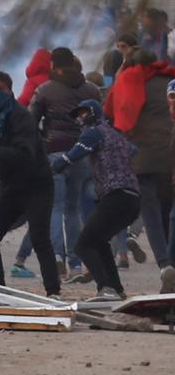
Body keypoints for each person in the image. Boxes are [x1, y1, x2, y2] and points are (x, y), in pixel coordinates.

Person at [0, 71, 62, 298]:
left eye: (0, 89)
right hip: (12, 187)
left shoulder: (21, 116)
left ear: (10, 91)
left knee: (40, 237)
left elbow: (24, 153)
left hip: (36, 183)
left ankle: (53, 291)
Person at [53, 100, 143, 300]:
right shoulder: (115, 135)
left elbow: (75, 154)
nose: (80, 118)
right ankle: (117, 290)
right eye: (78, 115)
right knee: (99, 242)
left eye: (83, 113)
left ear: (93, 113)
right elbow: (133, 150)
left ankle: (106, 289)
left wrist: (57, 164)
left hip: (115, 196)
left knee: (82, 245)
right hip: (133, 199)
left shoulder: (94, 132)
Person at [26, 47, 101, 279]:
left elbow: (31, 122)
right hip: (82, 154)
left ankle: (57, 256)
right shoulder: (92, 89)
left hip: (54, 152)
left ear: (53, 65)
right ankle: (76, 263)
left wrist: (40, 146)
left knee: (55, 208)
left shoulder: (45, 90)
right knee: (73, 210)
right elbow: (101, 122)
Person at [104, 48, 175, 288]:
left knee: (151, 213)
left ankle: (165, 264)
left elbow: (114, 114)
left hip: (143, 158)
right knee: (167, 213)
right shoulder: (169, 80)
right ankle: (171, 264)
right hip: (170, 154)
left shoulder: (129, 80)